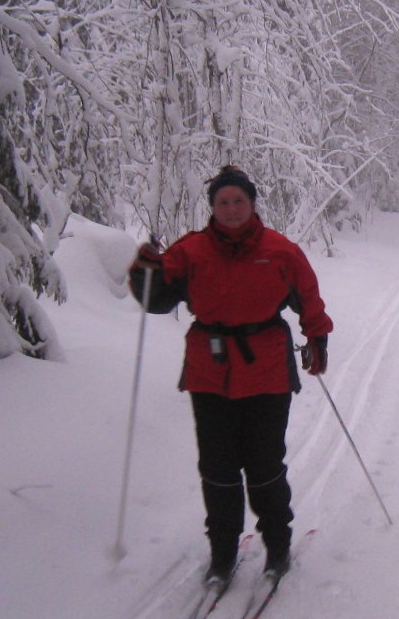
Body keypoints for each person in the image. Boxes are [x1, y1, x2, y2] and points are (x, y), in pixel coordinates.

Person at [129, 165, 332, 585]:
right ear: (213, 207)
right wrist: (144, 270)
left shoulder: (280, 251)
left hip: (267, 371)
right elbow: (156, 300)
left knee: (264, 465)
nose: (232, 209)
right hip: (209, 371)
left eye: (239, 200)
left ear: (252, 203)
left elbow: (309, 298)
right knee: (217, 468)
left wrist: (317, 339)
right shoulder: (191, 250)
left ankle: (277, 546)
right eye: (223, 202)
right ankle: (222, 554)